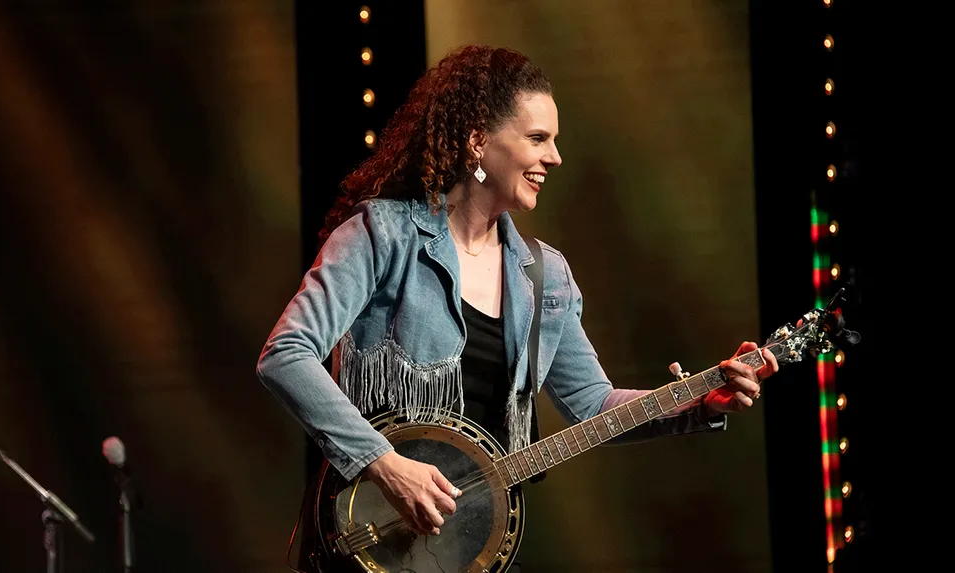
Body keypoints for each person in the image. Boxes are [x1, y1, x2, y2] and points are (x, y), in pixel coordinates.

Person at [256, 44, 778, 572]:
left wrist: (701, 401)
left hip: (478, 552)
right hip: (369, 542)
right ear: (478, 141)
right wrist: (384, 463)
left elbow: (593, 403)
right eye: (538, 139)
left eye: (555, 141)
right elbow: (286, 354)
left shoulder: (546, 276)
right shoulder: (382, 235)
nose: (554, 157)